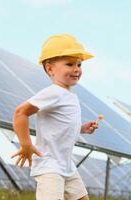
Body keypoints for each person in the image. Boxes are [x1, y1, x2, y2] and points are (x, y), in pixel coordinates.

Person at [12, 34, 98, 200]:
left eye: (79, 64)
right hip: (50, 166)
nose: (76, 69)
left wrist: (82, 129)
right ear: (50, 68)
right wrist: (26, 144)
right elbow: (20, 112)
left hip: (66, 165)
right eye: (69, 64)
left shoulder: (70, 96)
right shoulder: (53, 93)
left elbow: (61, 124)